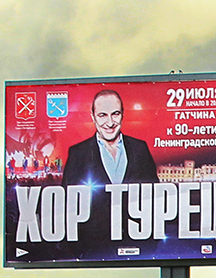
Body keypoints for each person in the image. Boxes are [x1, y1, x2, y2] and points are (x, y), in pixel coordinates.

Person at [57, 89, 159, 259]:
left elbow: (155, 198)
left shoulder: (140, 148)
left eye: (115, 114)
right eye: (103, 115)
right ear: (93, 116)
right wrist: (79, 251)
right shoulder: (78, 153)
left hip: (138, 246)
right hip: (93, 250)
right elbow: (66, 206)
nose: (110, 122)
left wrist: (150, 246)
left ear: (123, 114)